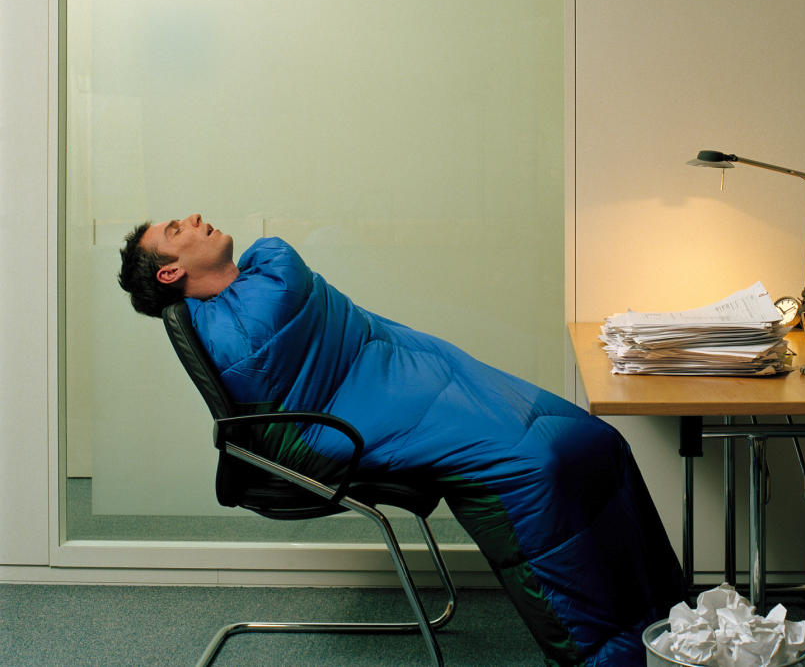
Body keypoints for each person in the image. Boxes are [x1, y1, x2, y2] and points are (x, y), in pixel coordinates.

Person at [119, 212, 684, 667]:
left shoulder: (251, 287)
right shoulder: (241, 311)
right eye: (175, 231)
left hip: (398, 370)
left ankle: (670, 618)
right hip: (338, 429)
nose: (193, 218)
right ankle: (606, 655)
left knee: (593, 439)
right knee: (536, 465)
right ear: (169, 273)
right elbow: (279, 332)